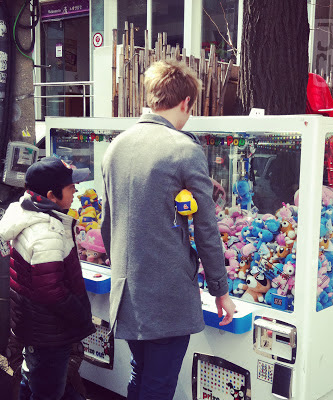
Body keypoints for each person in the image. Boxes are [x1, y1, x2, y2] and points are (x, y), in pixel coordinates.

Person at [101, 60, 236, 400]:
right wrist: (220, 289)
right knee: (158, 386)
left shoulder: (116, 147)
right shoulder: (184, 150)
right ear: (186, 102)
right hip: (167, 296)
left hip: (127, 293)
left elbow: (107, 224)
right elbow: (206, 229)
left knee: (141, 375)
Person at [0, 157, 96, 400]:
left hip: (35, 327)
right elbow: (50, 291)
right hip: (49, 332)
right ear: (52, 195)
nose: (76, 191)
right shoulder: (46, 232)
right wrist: (80, 312)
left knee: (32, 380)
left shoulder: (29, 214)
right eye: (70, 187)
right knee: (48, 390)